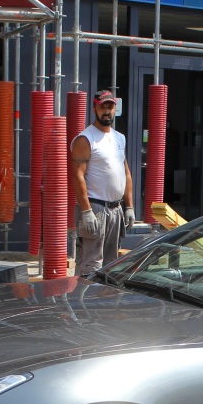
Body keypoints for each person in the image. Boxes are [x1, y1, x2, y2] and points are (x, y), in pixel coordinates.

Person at [71, 90, 135, 274]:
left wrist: (129, 206)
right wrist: (86, 211)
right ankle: (83, 300)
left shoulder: (119, 138)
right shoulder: (86, 139)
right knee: (91, 265)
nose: (107, 111)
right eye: (102, 107)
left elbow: (126, 173)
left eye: (110, 107)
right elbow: (78, 176)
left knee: (111, 264)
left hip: (116, 209)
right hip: (95, 208)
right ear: (94, 108)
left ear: (115, 108)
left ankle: (104, 301)